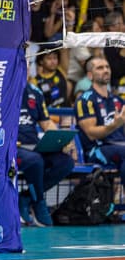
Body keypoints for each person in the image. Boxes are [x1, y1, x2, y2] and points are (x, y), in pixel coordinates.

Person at [17, 82, 75, 227]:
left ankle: (27, 197)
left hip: (33, 145)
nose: (25, 65)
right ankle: (38, 202)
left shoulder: (35, 91)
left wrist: (61, 140)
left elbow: (46, 123)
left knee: (65, 162)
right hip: (10, 146)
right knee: (35, 161)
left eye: (28, 62)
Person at [76, 57, 125, 190]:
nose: (106, 70)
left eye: (107, 67)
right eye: (100, 68)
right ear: (90, 75)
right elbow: (91, 133)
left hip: (120, 147)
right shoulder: (85, 100)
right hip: (97, 150)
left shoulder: (118, 100)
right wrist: (114, 125)